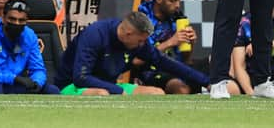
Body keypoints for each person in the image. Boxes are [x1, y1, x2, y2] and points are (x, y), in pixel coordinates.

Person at [54, 11, 209, 95]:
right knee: (101, 95)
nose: (143, 45)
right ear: (128, 34)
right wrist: (117, 90)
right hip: (72, 86)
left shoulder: (136, 43)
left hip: (111, 87)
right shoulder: (95, 35)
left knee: (157, 94)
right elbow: (81, 77)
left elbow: (165, 62)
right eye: (141, 41)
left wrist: (206, 82)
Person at [136, 0, 213, 94]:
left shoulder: (177, 18)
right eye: (172, 1)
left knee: (221, 75)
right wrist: (170, 42)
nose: (177, 5)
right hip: (151, 71)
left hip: (177, 68)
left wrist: (190, 43)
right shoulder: (142, 19)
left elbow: (186, 60)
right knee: (181, 88)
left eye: (178, 0)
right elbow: (137, 60)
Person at [0, 0, 60, 94]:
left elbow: (38, 69)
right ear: (3, 17)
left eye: (21, 20)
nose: (16, 23)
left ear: (26, 21)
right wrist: (13, 79)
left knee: (52, 90)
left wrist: (37, 82)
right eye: (12, 19)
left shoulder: (29, 35)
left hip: (19, 84)